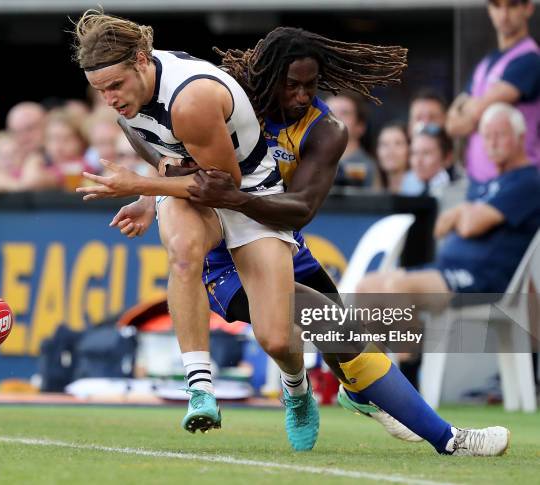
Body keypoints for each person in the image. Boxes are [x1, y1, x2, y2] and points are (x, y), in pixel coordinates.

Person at [90, 25, 510, 457]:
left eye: (311, 85)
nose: (302, 96)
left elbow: (301, 208)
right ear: (267, 78)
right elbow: (158, 139)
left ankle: (349, 392)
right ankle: (446, 437)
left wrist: (217, 194)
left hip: (272, 223)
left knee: (340, 336)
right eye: (292, 85)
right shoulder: (223, 96)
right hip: (217, 248)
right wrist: (149, 195)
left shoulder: (326, 129)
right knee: (321, 323)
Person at [359, 102, 539, 319]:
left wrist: (463, 213)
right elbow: (443, 226)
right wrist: (465, 212)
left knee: (394, 289)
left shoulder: (529, 181)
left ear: (520, 137)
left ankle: (412, 353)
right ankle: (383, 354)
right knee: (366, 288)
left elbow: (469, 226)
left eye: (500, 135)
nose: (492, 142)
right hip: (446, 269)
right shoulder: (488, 184)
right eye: (487, 136)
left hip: (484, 279)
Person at [446, 0, 539, 183]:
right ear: (489, 10)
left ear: (528, 8)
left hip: (514, 182)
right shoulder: (485, 64)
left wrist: (472, 108)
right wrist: (474, 109)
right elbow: (453, 125)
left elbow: (474, 112)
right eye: (497, 5)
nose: (504, 15)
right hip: (478, 182)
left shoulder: (530, 59)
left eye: (512, 5)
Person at [326, 91, 377, 188]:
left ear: (360, 126)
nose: (334, 118)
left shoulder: (370, 169)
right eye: (329, 113)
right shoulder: (305, 162)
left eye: (344, 113)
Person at [400, 123, 452, 197]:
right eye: (414, 153)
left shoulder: (456, 187)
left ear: (447, 158)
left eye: (426, 153)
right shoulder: (407, 183)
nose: (418, 161)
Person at [375, 122, 409, 193]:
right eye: (384, 144)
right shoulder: (373, 190)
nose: (391, 150)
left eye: (398, 143)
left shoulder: (420, 190)